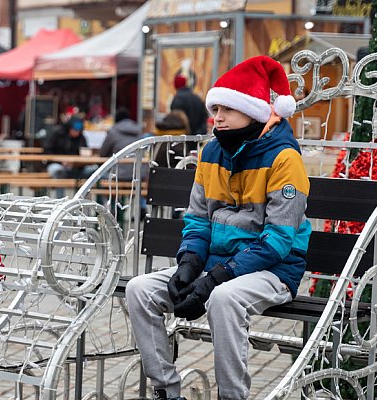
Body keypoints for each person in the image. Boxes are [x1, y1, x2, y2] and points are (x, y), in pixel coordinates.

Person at [125, 56, 310, 400]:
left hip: (274, 270)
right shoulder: (212, 152)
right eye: (216, 108)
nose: (217, 116)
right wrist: (189, 264)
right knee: (139, 289)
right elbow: (197, 218)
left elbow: (279, 240)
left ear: (253, 111)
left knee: (223, 300)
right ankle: (166, 391)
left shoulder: (285, 160)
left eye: (227, 109)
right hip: (217, 265)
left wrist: (215, 278)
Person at [99, 107, 144, 181]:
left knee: (96, 175)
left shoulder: (113, 132)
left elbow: (103, 153)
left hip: (117, 174)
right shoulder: (139, 132)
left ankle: (98, 192)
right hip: (138, 174)